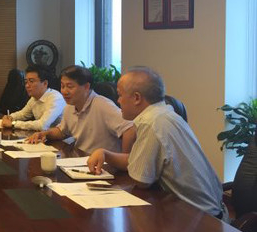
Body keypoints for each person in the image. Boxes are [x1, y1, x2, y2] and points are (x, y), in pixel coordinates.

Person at [86, 67, 225, 218]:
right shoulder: (164, 114)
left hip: (199, 218)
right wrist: (106, 154)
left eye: (120, 95)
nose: (118, 101)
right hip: (209, 209)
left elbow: (141, 179)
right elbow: (140, 161)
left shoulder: (150, 123)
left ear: (137, 98)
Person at [28, 65, 135, 154]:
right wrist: (45, 134)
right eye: (62, 86)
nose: (64, 91)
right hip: (81, 159)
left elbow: (130, 128)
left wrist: (124, 159)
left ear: (86, 87)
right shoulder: (69, 106)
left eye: (70, 86)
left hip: (103, 165)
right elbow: (62, 131)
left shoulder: (102, 104)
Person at [1, 65, 65, 131]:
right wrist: (10, 117)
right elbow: (23, 114)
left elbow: (42, 125)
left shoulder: (56, 99)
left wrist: (14, 124)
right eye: (26, 82)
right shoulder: (34, 98)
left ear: (45, 83)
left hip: (59, 137)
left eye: (31, 81)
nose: (27, 85)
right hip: (43, 135)